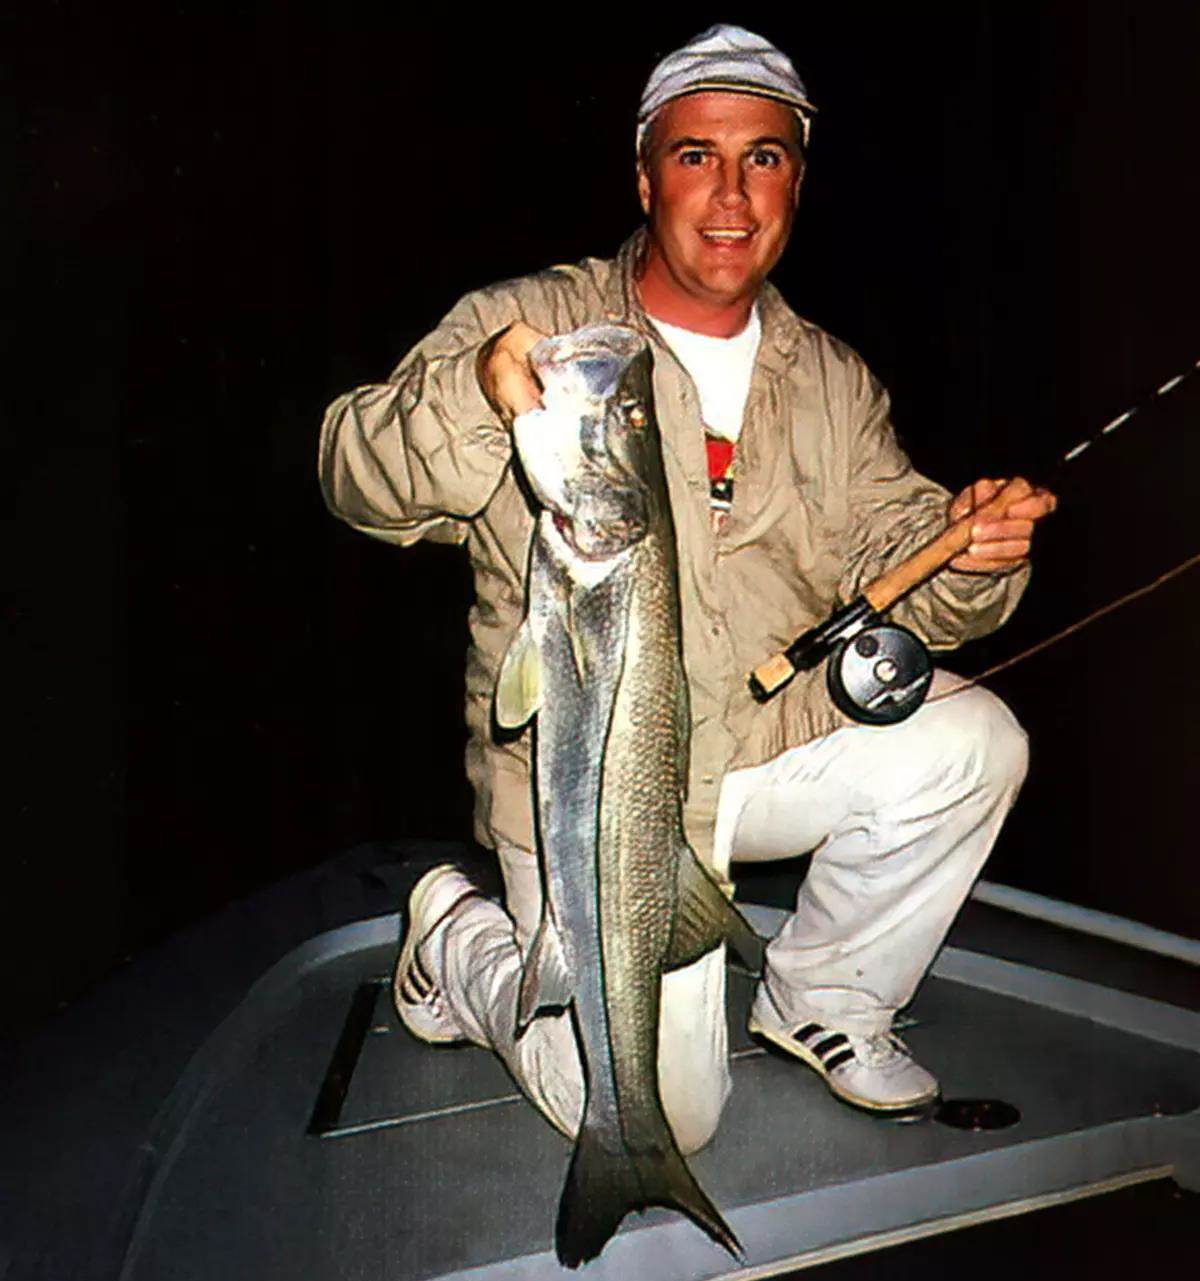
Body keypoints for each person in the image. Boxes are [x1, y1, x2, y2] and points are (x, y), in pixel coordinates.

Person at [319, 25, 1057, 1150]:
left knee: (976, 742)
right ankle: (461, 944)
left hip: (758, 747)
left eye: (762, 157)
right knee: (660, 1116)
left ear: (797, 183)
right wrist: (477, 394)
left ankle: (825, 1000)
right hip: (585, 789)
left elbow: (896, 550)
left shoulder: (830, 378)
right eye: (695, 154)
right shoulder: (537, 324)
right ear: (644, 172)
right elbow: (353, 472)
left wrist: (966, 547)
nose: (729, 193)